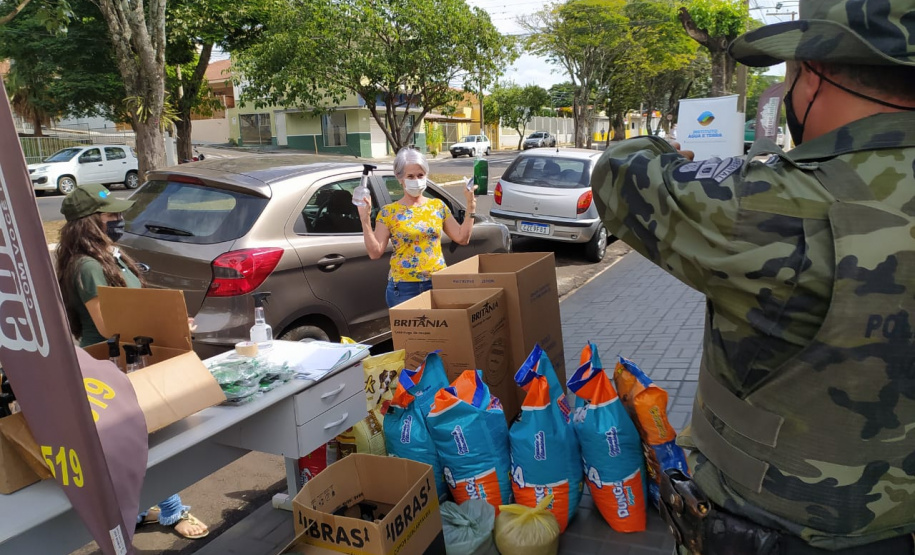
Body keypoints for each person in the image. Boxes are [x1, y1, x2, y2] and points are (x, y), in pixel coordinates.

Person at [589, 0, 915, 552]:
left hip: (774, 528)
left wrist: (664, 147)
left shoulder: (776, 204)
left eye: (788, 75)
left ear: (814, 76)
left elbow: (618, 173)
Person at [56, 183, 209, 540]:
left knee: (137, 441)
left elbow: (133, 306)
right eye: (110, 215)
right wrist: (165, 325)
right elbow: (109, 326)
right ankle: (172, 510)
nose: (119, 219)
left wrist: (169, 321)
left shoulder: (109, 255)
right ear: (89, 222)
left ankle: (138, 510)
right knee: (144, 441)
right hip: (113, 365)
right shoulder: (86, 266)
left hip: (133, 357)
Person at [357, 147, 477, 307]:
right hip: (404, 288)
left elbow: (462, 238)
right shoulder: (388, 212)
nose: (416, 180)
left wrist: (471, 206)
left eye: (420, 175)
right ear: (399, 178)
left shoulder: (437, 206)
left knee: (441, 324)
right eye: (410, 176)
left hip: (438, 282)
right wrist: (365, 219)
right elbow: (375, 252)